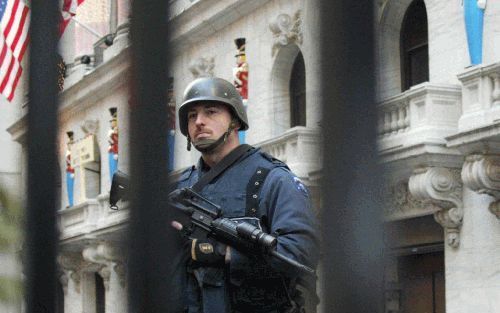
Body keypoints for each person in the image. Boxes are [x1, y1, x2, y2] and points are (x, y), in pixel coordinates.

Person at [171, 77, 319, 313]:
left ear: (235, 122)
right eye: (192, 115)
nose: (199, 121)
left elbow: (300, 254)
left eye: (211, 112)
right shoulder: (180, 188)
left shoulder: (273, 180)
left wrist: (221, 253)